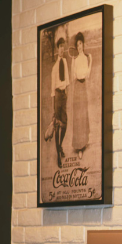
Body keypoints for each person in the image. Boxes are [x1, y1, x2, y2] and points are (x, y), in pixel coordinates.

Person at [47, 33, 70, 166]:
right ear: (57, 49)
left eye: (63, 47)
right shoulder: (54, 68)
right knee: (56, 125)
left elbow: (66, 81)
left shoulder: (65, 62)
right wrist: (54, 108)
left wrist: (65, 95)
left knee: (65, 124)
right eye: (60, 47)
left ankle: (60, 145)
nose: (62, 49)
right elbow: (52, 91)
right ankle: (58, 156)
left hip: (63, 95)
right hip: (57, 97)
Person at [69, 29, 92, 154]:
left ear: (83, 44)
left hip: (83, 88)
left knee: (83, 115)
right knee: (77, 117)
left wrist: (91, 61)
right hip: (77, 88)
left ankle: (84, 142)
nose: (79, 47)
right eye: (77, 45)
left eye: (80, 44)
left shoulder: (86, 58)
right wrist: (72, 63)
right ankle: (78, 147)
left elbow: (87, 75)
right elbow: (74, 77)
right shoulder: (76, 59)